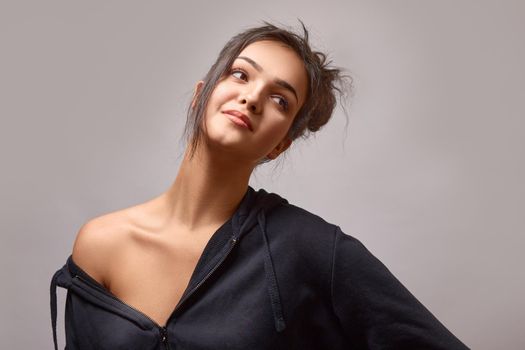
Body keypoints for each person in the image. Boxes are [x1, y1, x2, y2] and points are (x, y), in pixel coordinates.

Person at [50, 22, 469, 349]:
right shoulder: (102, 244)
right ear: (201, 95)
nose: (251, 98)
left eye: (280, 100)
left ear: (279, 144)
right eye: (240, 75)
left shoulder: (308, 249)